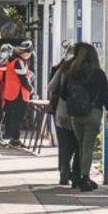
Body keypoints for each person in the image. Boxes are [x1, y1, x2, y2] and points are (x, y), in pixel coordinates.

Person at [56, 42, 108, 193]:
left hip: (75, 115)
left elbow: (63, 94)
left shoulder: (71, 71)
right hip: (93, 113)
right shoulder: (97, 73)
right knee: (87, 146)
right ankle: (84, 177)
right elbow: (105, 93)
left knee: (81, 144)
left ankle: (79, 175)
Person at [48, 40, 80, 185]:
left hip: (61, 111)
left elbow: (51, 87)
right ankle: (76, 173)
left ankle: (63, 171)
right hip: (80, 112)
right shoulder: (87, 69)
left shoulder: (60, 68)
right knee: (78, 143)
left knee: (64, 143)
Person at [0, 40, 34, 148]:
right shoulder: (18, 62)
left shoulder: (14, 61)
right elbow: (23, 79)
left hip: (13, 94)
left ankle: (14, 139)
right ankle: (14, 139)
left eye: (28, 52)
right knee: (17, 118)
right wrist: (31, 89)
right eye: (25, 51)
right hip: (17, 94)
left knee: (14, 117)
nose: (27, 54)